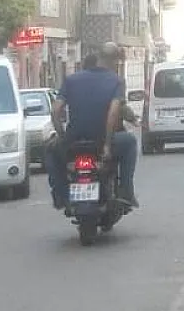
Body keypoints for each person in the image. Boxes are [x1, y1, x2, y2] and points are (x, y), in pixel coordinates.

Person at [45, 43, 139, 209]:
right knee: (130, 142)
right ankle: (125, 190)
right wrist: (107, 145)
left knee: (50, 151)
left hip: (74, 141)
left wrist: (62, 136)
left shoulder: (71, 80)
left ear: (98, 58)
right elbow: (113, 113)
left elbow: (55, 111)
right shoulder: (116, 81)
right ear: (115, 61)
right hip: (101, 141)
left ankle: (60, 193)